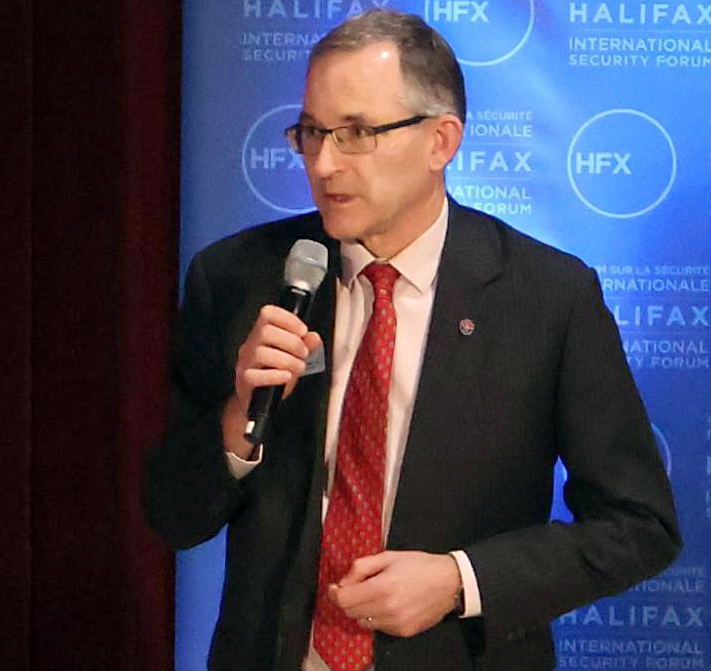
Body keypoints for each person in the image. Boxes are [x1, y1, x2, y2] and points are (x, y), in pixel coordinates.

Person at [145, 9, 680, 671]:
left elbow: (638, 524)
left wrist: (462, 580)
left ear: (441, 140)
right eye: (310, 132)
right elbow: (172, 513)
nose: (324, 162)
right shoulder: (236, 277)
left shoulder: (547, 297)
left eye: (357, 133)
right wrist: (235, 424)